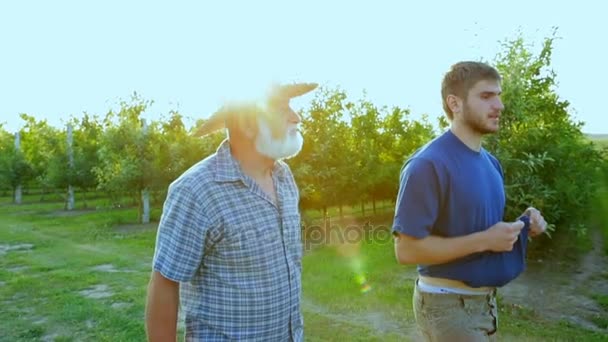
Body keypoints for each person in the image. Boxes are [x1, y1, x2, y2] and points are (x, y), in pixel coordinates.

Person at [145, 82, 318, 341]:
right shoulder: (196, 191)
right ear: (248, 123)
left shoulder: (284, 177)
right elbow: (165, 283)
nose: (297, 117)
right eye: (282, 109)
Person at [392, 61, 548, 341]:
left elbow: (480, 227)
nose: (499, 105)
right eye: (486, 96)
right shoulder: (427, 164)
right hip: (448, 307)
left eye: (499, 95)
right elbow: (406, 250)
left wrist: (525, 223)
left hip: (484, 305)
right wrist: (485, 240)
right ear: (455, 103)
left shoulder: (491, 164)